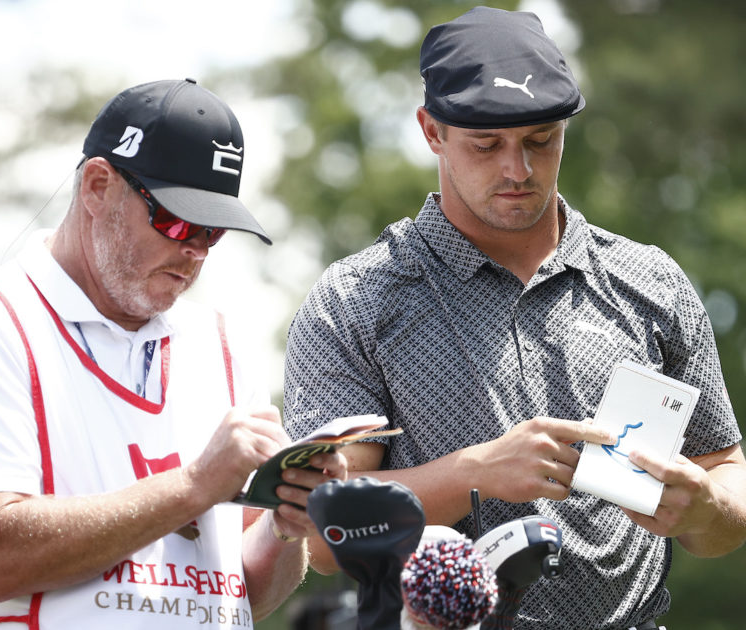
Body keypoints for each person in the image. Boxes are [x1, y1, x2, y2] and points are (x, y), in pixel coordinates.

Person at [283, 7, 746, 630]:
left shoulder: (651, 281)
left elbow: (727, 488)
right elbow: (325, 536)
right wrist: (476, 473)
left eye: (539, 141)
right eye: (485, 145)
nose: (517, 170)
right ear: (431, 132)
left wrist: (706, 510)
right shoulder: (355, 299)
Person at [0, 78, 347, 630]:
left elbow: (239, 594)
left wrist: (287, 525)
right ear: (97, 186)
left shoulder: (219, 344)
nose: (194, 249)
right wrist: (192, 487)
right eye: (176, 219)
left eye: (212, 232)